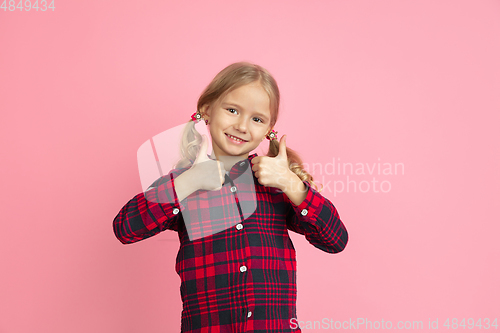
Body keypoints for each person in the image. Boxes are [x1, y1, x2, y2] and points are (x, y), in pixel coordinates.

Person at [113, 61, 349, 333]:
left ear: (268, 128)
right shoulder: (183, 184)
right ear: (207, 110)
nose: (242, 126)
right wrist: (188, 181)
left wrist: (290, 183)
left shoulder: (275, 184)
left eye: (257, 119)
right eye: (232, 110)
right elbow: (125, 229)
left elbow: (335, 240)